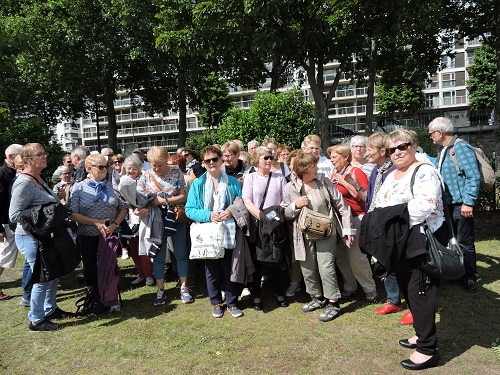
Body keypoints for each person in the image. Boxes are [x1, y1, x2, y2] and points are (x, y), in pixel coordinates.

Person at [361, 129, 445, 370]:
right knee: (409, 289)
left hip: (420, 241)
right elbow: (378, 202)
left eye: (402, 146)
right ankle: (421, 333)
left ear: (414, 145)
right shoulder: (393, 174)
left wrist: (389, 216)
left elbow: (425, 206)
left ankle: (428, 350)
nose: (397, 152)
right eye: (391, 149)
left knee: (421, 292)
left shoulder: (424, 171)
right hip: (399, 241)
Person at [282, 151, 354, 322]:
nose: (317, 168)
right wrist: (295, 205)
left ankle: (333, 303)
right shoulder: (290, 188)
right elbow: (285, 212)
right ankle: (317, 297)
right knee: (307, 268)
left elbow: (342, 207)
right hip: (302, 234)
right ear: (304, 170)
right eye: (313, 166)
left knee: (326, 267)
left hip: (326, 232)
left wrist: (348, 229)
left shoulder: (324, 182)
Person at [9, 143, 72, 331]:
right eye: (39, 154)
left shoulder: (37, 178)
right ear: (27, 159)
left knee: (52, 274)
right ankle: (36, 320)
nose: (44, 156)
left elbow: (43, 202)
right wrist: (43, 211)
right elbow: (14, 215)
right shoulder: (24, 182)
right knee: (42, 277)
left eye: (44, 153)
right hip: (30, 237)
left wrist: (54, 197)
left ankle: (50, 309)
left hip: (44, 236)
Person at [185, 145, 244, 318]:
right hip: (208, 232)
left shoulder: (232, 181)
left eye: (214, 159)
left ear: (221, 160)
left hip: (228, 231)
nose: (212, 163)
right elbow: (189, 209)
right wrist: (209, 215)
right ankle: (216, 302)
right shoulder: (198, 184)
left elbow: (240, 202)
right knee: (211, 270)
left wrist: (230, 211)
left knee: (229, 267)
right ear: (203, 163)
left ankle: (232, 303)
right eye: (207, 160)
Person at [69, 152, 128, 311]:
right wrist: (95, 223)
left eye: (106, 166)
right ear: (89, 168)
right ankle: (94, 299)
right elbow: (72, 213)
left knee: (109, 266)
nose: (105, 170)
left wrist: (114, 225)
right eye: (101, 167)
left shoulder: (112, 185)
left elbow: (123, 208)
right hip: (87, 234)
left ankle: (110, 298)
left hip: (109, 234)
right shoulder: (79, 187)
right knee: (90, 267)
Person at [429, 117, 481, 292]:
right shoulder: (444, 149)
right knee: (454, 241)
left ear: (439, 132)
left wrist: (468, 202)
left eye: (431, 134)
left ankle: (470, 277)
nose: (430, 137)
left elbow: (473, 176)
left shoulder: (460, 147)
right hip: (449, 204)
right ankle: (459, 273)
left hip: (461, 204)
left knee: (465, 242)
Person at [136, 146, 192, 305]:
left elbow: (183, 196)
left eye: (160, 164)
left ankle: (183, 287)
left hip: (174, 218)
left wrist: (164, 201)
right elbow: (138, 200)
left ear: (166, 161)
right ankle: (160, 289)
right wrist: (139, 210)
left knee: (181, 253)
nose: (157, 168)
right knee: (158, 257)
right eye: (153, 165)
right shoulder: (145, 176)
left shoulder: (175, 172)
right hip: (155, 221)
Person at [365, 133, 411, 321]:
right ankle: (394, 301)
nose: (367, 154)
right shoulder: (377, 170)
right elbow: (371, 196)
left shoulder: (396, 170)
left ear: (382, 151)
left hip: (396, 224)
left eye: (370, 150)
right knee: (384, 261)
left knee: (402, 264)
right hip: (378, 221)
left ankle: (413, 305)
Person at [327, 144, 377, 302]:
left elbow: (366, 198)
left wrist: (346, 183)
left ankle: (370, 288)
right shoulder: (334, 173)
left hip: (356, 218)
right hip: (339, 220)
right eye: (331, 157)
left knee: (356, 256)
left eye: (334, 157)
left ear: (345, 157)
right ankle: (350, 286)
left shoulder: (356, 172)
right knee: (341, 256)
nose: (332, 160)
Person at [242, 146, 290, 311]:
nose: (269, 160)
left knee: (276, 259)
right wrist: (262, 218)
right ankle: (256, 294)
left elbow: (284, 201)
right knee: (257, 260)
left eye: (270, 157)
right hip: (257, 225)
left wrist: (271, 219)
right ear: (257, 160)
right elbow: (247, 201)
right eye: (265, 158)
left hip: (276, 224)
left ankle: (278, 291)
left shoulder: (279, 177)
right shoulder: (251, 178)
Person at [120, 154, 154, 286]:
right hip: (129, 219)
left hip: (144, 217)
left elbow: (150, 195)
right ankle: (141, 273)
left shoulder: (145, 179)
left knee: (144, 248)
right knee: (133, 248)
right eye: (129, 168)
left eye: (134, 168)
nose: (131, 171)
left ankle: (149, 274)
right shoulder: (122, 181)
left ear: (139, 168)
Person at [0, 144, 23, 301]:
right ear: (11, 157)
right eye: (22, 155)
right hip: (5, 223)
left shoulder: (13, 172)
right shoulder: (2, 174)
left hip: (10, 221)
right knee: (3, 257)